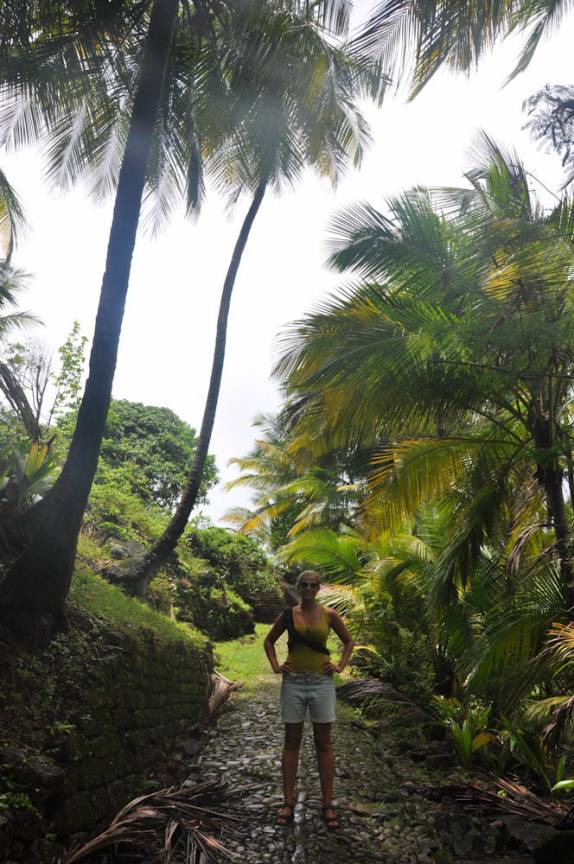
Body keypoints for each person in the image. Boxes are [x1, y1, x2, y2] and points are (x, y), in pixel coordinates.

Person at [263, 569, 354, 830]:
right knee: (292, 742)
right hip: (293, 682)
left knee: (323, 744)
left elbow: (348, 642)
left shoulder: (329, 614)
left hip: (321, 683)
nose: (308, 589)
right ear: (298, 587)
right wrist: (276, 666)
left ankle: (328, 805)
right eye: (304, 585)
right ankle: (287, 803)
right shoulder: (288, 615)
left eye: (313, 585)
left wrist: (340, 665)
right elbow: (269, 642)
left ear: (318, 588)